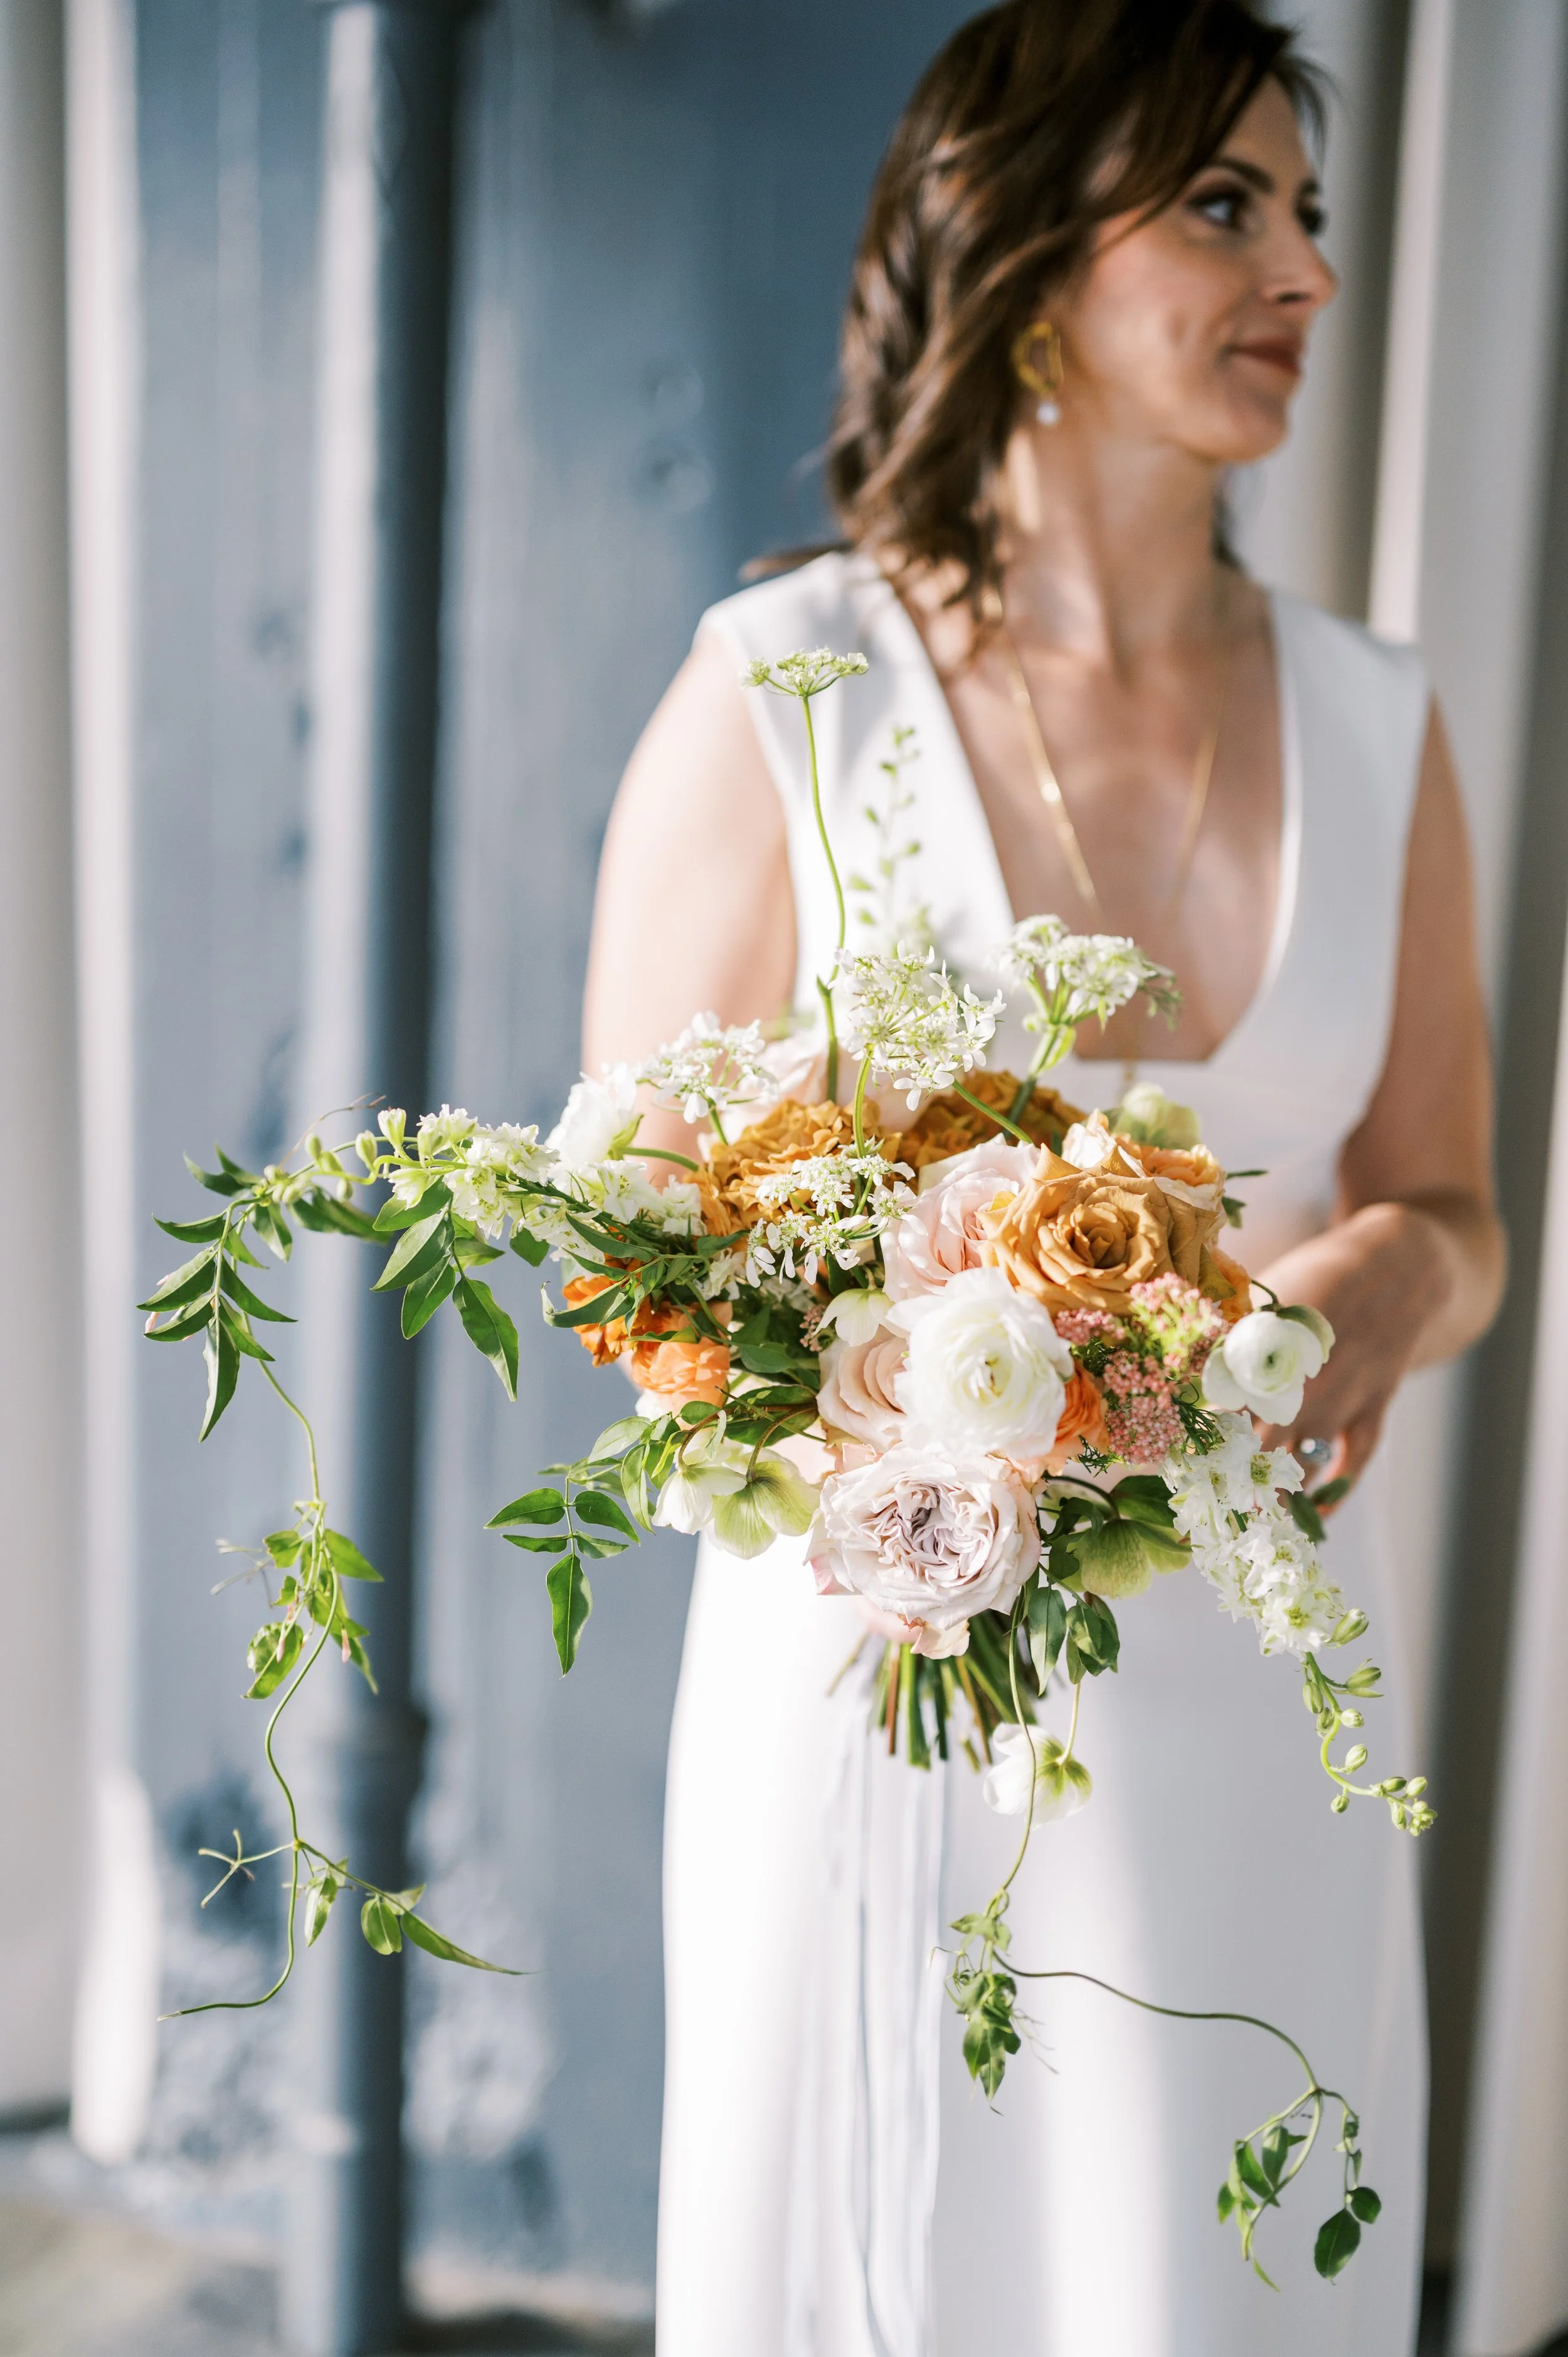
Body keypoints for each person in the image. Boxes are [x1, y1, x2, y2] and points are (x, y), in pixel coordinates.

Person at [583, 4, 1505, 2350]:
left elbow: (1448, 1198)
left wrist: (1377, 1299)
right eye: (1222, 203)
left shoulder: (1379, 727)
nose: (1299, 263)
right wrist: (939, 1396)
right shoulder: (784, 689)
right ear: (1018, 249)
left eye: (1305, 210)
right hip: (886, 1706)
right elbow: (636, 1251)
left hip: (1271, 1701)